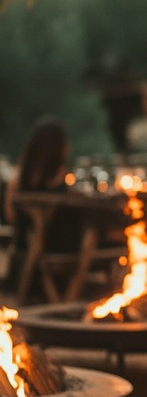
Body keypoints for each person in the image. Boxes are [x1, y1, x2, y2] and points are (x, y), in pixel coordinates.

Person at [4, 116, 82, 293]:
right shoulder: (63, 178)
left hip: (24, 246)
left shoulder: (18, 177)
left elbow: (10, 216)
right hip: (54, 248)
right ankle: (69, 295)